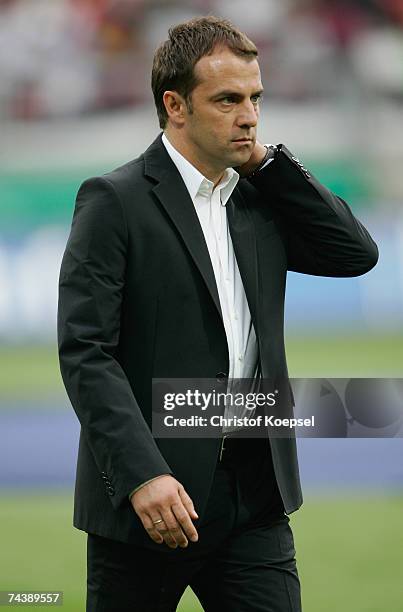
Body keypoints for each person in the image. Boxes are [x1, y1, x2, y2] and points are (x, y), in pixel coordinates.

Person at [57, 16, 378, 612]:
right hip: (152, 501)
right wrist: (140, 476)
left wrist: (269, 164)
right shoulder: (114, 201)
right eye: (228, 99)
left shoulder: (262, 197)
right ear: (175, 105)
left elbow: (356, 254)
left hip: (255, 494)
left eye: (255, 97)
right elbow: (85, 352)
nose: (249, 115)